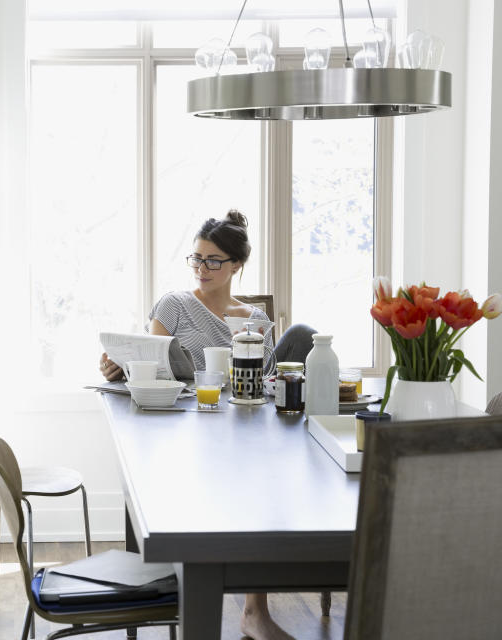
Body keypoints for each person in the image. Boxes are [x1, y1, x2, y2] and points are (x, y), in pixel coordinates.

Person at [98, 209, 316, 640]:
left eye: (214, 260)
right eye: (196, 259)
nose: (202, 268)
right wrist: (118, 368)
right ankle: (184, 600)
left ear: (236, 265)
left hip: (241, 429)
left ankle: (255, 612)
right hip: (182, 426)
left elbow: (263, 386)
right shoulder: (174, 304)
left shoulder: (253, 321)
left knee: (262, 483)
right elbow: (150, 361)